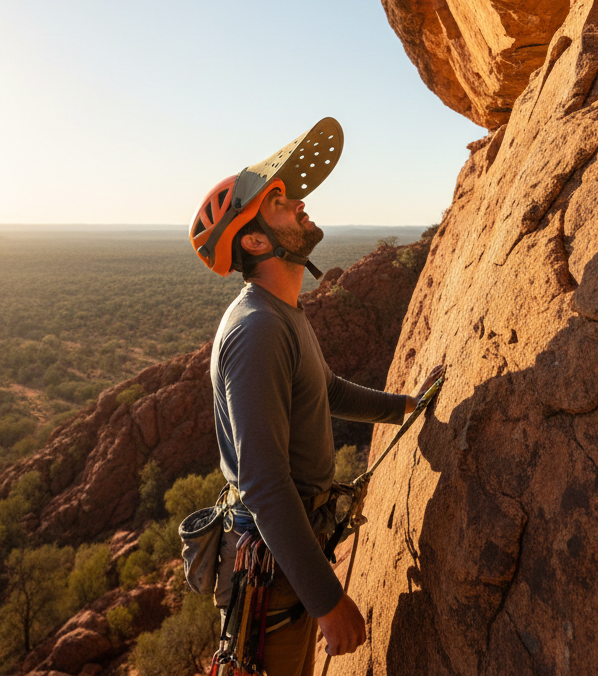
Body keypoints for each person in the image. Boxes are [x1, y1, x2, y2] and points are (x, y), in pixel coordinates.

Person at [189, 118, 443, 676]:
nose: (299, 202)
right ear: (255, 240)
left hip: (284, 559)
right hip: (272, 577)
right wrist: (327, 601)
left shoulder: (282, 313)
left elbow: (325, 390)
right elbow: (264, 481)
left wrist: (405, 405)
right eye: (280, 201)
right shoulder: (257, 330)